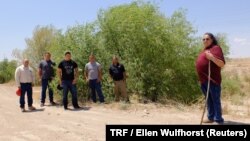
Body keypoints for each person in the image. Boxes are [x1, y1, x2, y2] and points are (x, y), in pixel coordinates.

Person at [196, 32, 225, 124]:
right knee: (209, 100)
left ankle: (218, 120)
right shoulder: (205, 50)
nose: (205, 40)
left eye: (207, 39)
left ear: (212, 40)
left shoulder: (216, 48)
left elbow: (222, 64)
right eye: (203, 39)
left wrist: (211, 57)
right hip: (204, 80)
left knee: (215, 100)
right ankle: (210, 117)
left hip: (212, 80)